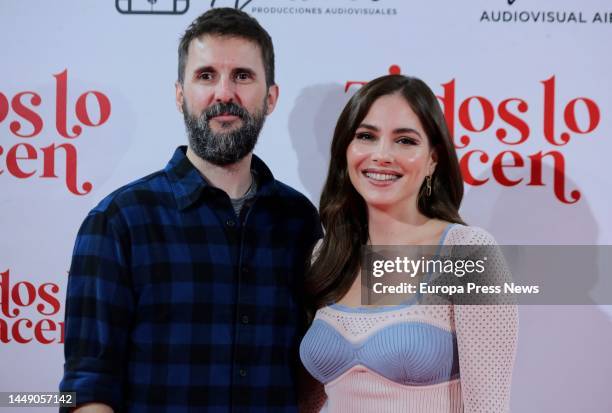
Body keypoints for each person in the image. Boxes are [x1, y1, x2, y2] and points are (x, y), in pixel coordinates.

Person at [59, 8, 321, 412]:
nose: (224, 94)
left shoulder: (300, 222)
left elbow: (309, 378)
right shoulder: (119, 222)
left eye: (242, 76)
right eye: (206, 76)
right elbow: (87, 389)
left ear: (271, 98)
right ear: (180, 94)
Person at [299, 74, 518, 412]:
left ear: (433, 159)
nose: (382, 154)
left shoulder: (467, 252)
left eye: (405, 141)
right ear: (346, 149)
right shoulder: (326, 256)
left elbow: (488, 408)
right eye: (366, 136)